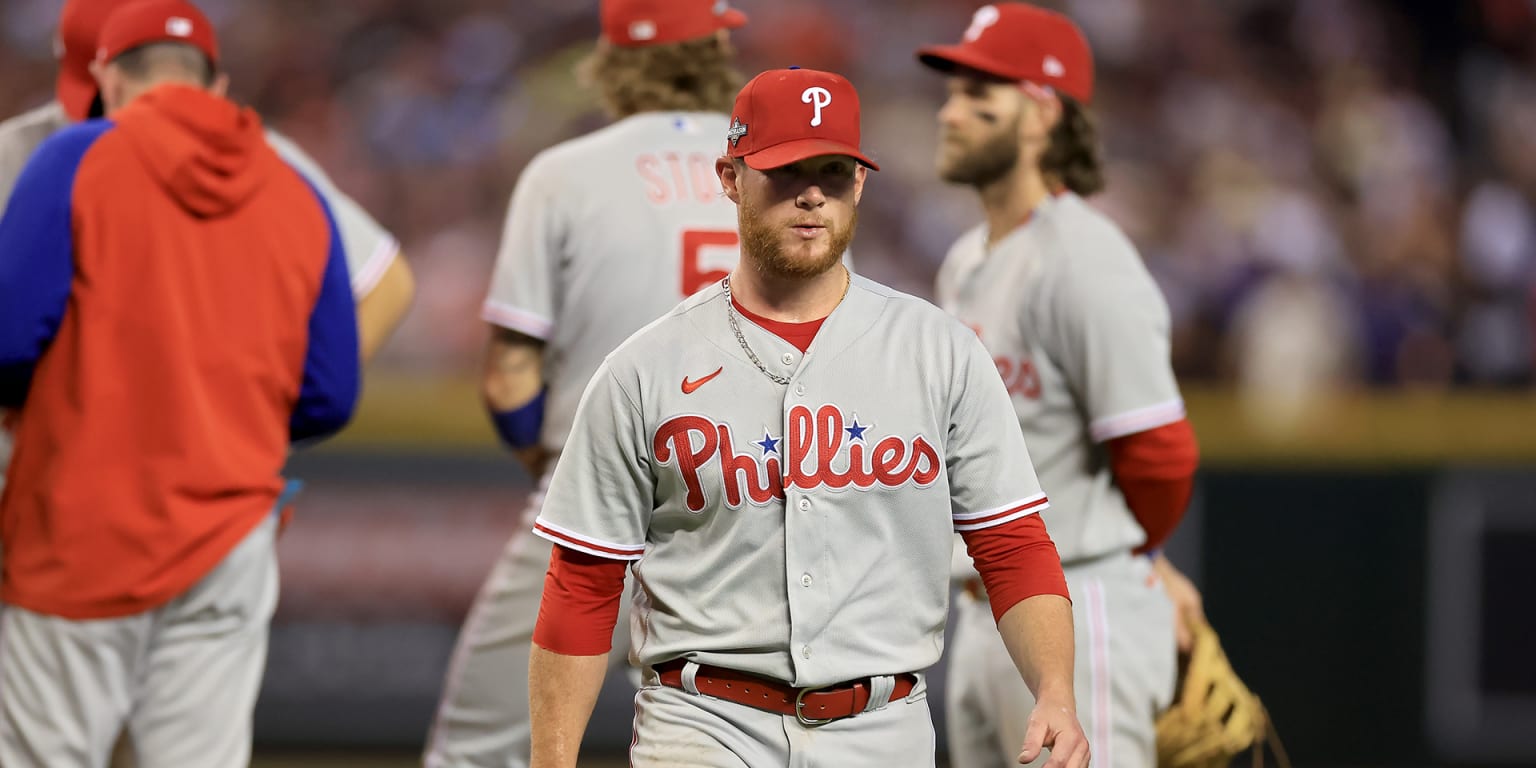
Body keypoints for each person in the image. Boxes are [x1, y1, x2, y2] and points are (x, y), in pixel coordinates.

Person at [525, 66, 1089, 768]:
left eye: (834, 170)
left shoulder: (938, 351)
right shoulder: (644, 368)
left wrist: (1056, 692)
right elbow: (582, 581)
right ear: (730, 177)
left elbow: (1012, 543)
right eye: (785, 171)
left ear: (860, 181)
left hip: (884, 729)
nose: (813, 193)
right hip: (703, 724)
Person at [0, 1, 360, 766]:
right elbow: (332, 394)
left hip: (79, 523)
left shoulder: (73, 159)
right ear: (216, 82)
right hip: (230, 535)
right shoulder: (297, 192)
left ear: (106, 77)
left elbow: (4, 342)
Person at [423, 2, 750, 765]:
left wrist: (543, 463)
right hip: (741, 502)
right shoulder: (776, 171)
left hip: (594, 499)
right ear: (714, 52)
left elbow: (509, 372)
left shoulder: (564, 173)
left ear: (611, 60)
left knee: (481, 748)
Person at [917, 4, 1203, 767]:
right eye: (953, 92)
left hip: (1080, 604)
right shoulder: (966, 259)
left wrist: (1138, 559)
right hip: (988, 615)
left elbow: (1160, 454)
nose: (949, 112)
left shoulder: (1085, 260)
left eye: (980, 95)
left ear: (1041, 112)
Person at [0, 0, 414, 494]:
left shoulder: (262, 161)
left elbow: (385, 283)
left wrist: (256, 429)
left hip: (138, 491)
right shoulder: (23, 152)